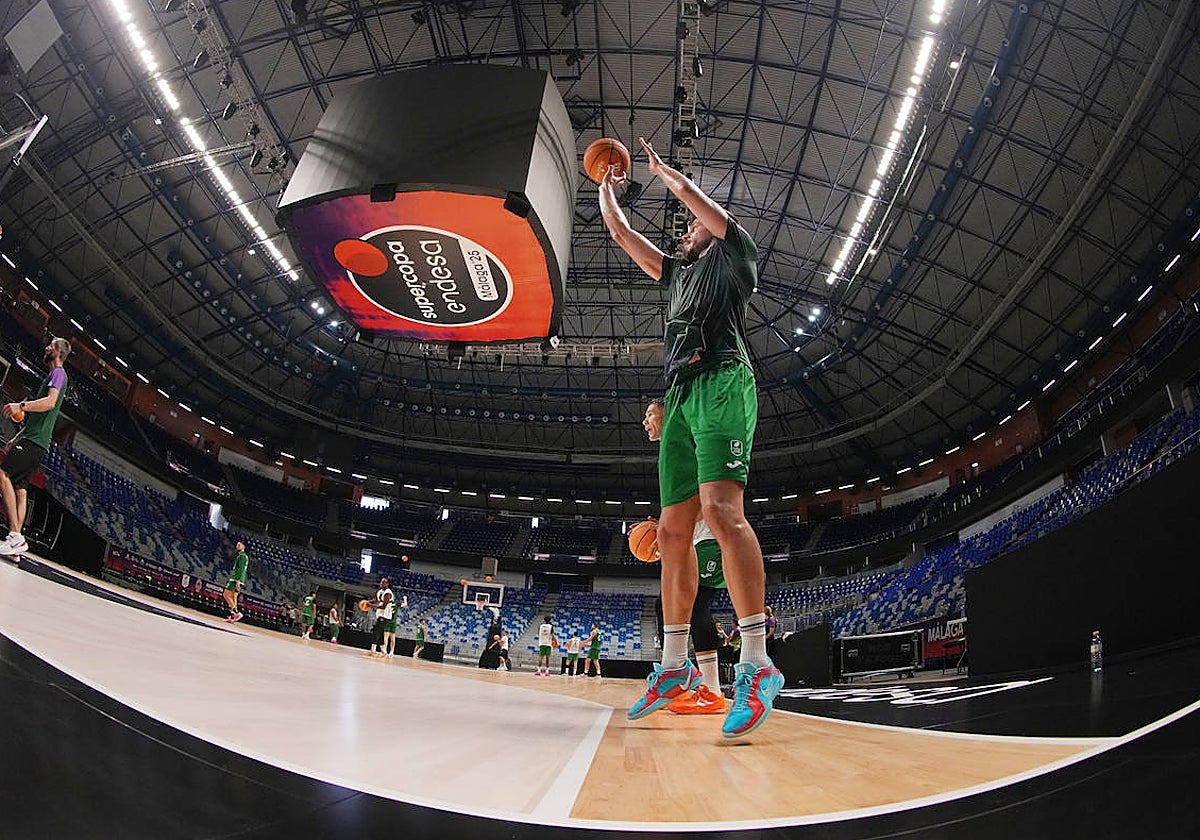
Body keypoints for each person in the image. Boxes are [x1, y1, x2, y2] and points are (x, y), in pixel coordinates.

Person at [600, 140, 783, 738]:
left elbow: (705, 210)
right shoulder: (677, 273)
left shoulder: (735, 257)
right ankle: (674, 666)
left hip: (725, 383)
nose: (684, 234)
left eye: (691, 228)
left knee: (720, 512)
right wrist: (607, 183)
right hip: (677, 395)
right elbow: (624, 235)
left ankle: (756, 664)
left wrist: (667, 176)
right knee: (673, 530)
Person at [644, 399, 727, 715]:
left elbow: (702, 498)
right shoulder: (671, 450)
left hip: (709, 538)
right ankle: (677, 676)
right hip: (694, 540)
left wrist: (673, 531)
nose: (645, 421)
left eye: (651, 414)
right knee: (664, 603)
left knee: (693, 606)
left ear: (668, 415)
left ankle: (711, 690)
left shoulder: (686, 445)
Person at [0, 337, 72, 558]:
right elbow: (37, 418)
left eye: (51, 345)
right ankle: (15, 547)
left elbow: (50, 403)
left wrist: (19, 405)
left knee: (2, 475)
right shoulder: (52, 376)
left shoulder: (58, 374)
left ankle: (15, 536)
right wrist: (16, 437)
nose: (47, 347)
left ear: (58, 352)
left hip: (34, 442)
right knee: (20, 491)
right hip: (33, 439)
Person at [365, 578, 395, 658]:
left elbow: (384, 606)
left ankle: (373, 650)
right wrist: (368, 602)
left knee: (376, 630)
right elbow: (376, 600)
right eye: (381, 582)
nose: (381, 583)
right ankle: (384, 651)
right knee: (380, 633)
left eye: (383, 582)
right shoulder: (379, 591)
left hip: (386, 615)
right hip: (380, 614)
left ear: (387, 584)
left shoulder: (388, 593)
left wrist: (371, 606)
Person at [222, 541, 249, 622]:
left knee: (226, 594)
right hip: (240, 579)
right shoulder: (245, 556)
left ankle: (236, 612)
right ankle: (232, 616)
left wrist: (237, 580)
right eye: (237, 544)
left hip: (236, 579)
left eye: (239, 545)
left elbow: (240, 569)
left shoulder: (242, 556)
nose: (237, 546)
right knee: (234, 597)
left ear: (243, 546)